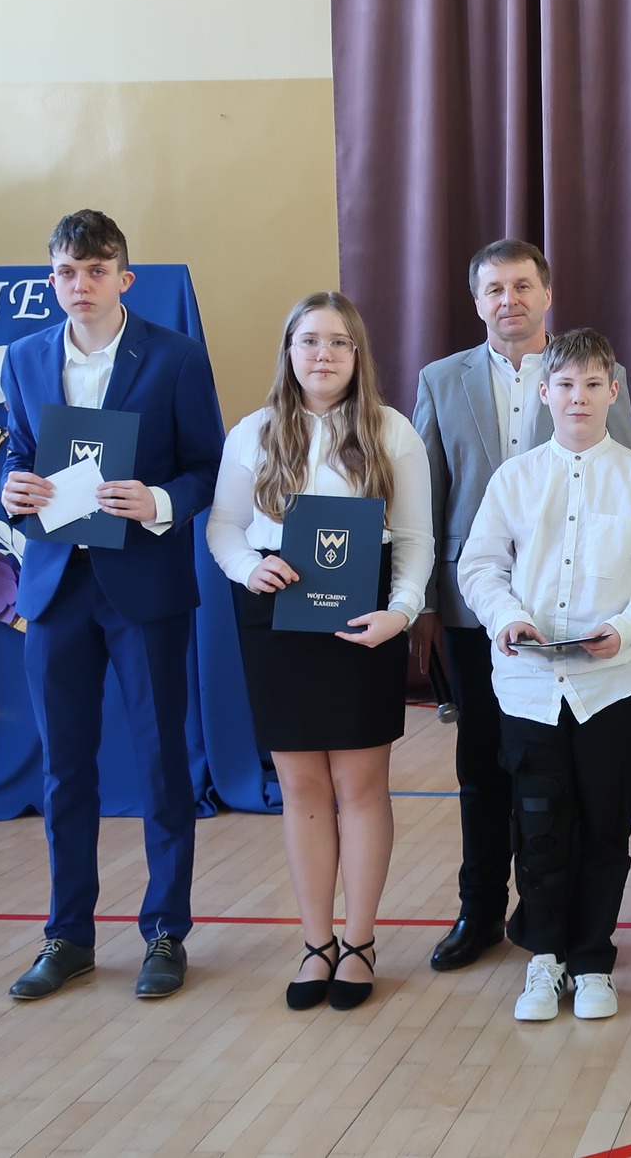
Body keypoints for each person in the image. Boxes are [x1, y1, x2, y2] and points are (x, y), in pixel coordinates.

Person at [0, 210, 224, 1002]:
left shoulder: (175, 356)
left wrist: (157, 499)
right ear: (51, 279)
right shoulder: (24, 358)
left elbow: (208, 467)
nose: (80, 284)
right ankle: (68, 935)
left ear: (125, 278)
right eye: (66, 271)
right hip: (57, 587)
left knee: (163, 764)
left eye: (96, 270)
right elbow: (19, 455)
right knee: (64, 770)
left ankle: (166, 931)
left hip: (144, 587)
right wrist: (11, 490)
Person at [411, 239, 631, 973]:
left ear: (547, 293)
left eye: (521, 285)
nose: (508, 300)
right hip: (474, 605)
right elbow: (425, 496)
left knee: (556, 776)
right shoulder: (440, 379)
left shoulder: (595, 377)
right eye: (493, 289)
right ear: (476, 300)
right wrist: (423, 603)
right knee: (483, 765)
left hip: (572, 612)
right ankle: (479, 908)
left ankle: (552, 914)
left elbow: (626, 483)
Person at [457, 328, 631, 1023]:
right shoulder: (514, 479)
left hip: (611, 682)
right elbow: (480, 566)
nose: (578, 397)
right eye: (565, 384)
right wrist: (506, 615)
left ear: (613, 391)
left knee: (603, 824)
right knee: (538, 825)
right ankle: (545, 955)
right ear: (544, 392)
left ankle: (592, 959)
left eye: (593, 384)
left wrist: (626, 627)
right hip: (528, 686)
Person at [207, 292, 431, 1010]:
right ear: (289, 351)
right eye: (308, 341)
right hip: (276, 614)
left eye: (338, 342)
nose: (323, 354)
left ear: (357, 354)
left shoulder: (392, 431)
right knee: (301, 787)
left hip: (365, 617)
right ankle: (315, 943)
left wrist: (401, 613)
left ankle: (359, 943)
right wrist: (248, 569)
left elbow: (416, 540)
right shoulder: (252, 432)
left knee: (361, 787)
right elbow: (224, 527)